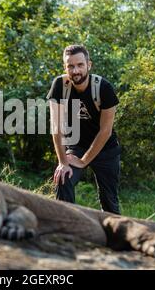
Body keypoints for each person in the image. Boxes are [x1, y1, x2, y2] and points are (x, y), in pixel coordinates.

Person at [47, 45, 121, 214]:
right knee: (63, 178)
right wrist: (63, 162)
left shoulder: (104, 88)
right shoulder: (59, 85)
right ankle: (67, 228)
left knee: (109, 202)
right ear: (65, 67)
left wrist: (84, 161)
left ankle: (114, 237)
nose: (76, 70)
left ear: (89, 65)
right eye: (70, 66)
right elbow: (56, 127)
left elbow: (105, 131)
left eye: (80, 65)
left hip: (106, 149)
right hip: (76, 145)